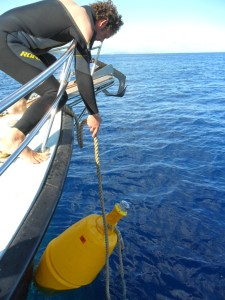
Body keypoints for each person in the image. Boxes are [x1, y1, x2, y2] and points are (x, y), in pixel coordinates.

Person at [0, 0, 123, 163]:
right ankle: (14, 138)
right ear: (103, 23)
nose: (101, 41)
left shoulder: (74, 9)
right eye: (104, 36)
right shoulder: (84, 25)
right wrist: (93, 113)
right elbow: (82, 74)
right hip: (6, 41)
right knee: (57, 95)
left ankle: (19, 104)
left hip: (8, 34)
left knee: (49, 61)